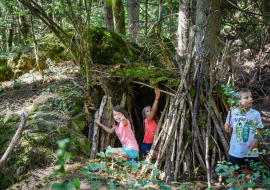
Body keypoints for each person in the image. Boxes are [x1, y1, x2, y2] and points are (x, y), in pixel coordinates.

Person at [224, 88, 264, 184]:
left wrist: (256, 140)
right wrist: (227, 127)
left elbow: (260, 129)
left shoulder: (255, 114)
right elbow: (228, 129)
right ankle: (233, 186)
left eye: (251, 97)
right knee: (234, 170)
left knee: (249, 171)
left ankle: (246, 185)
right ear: (238, 101)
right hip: (236, 148)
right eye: (246, 97)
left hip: (250, 149)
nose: (250, 99)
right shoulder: (232, 112)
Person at [141, 88, 161, 159]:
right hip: (147, 146)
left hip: (156, 143)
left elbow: (163, 127)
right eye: (147, 111)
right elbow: (153, 111)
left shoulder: (156, 120)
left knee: (161, 147)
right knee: (162, 158)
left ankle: (153, 157)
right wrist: (157, 97)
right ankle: (146, 154)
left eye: (150, 110)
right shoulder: (147, 120)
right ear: (145, 115)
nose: (149, 111)